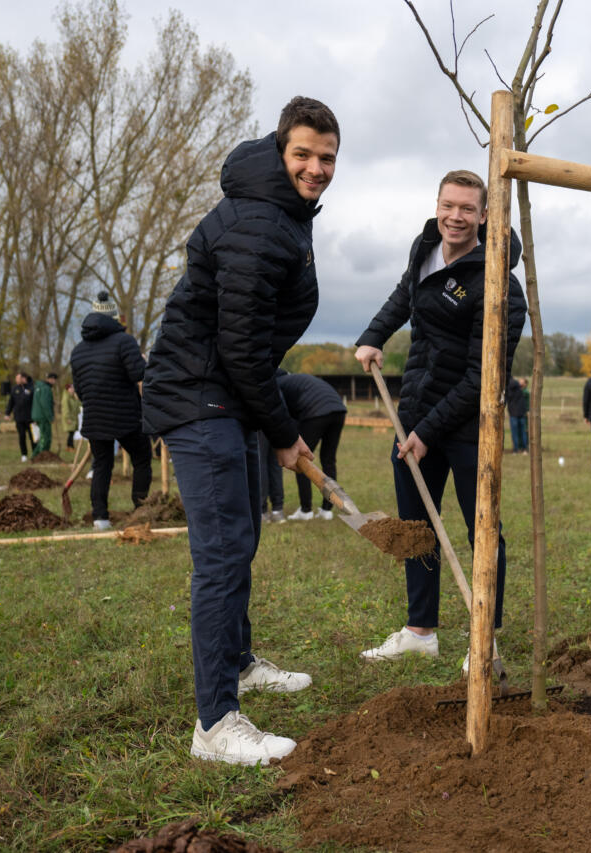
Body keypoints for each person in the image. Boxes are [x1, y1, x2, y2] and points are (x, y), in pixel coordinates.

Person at [141, 96, 339, 765]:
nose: (316, 168)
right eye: (304, 154)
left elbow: (250, 350)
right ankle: (215, 721)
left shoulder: (279, 211)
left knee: (241, 536)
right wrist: (283, 431)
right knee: (222, 555)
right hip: (202, 395)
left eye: (327, 158)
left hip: (224, 391)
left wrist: (274, 421)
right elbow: (243, 346)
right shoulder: (259, 220)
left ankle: (239, 660)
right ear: (281, 149)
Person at [354, 169, 526, 666]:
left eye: (467, 209)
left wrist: (427, 433)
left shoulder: (499, 285)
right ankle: (420, 629)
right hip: (415, 406)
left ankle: (484, 637)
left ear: (486, 215)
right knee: (416, 525)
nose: (455, 216)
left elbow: (483, 378)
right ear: (437, 204)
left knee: (482, 531)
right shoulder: (424, 249)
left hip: (470, 424)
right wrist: (373, 335)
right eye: (448, 205)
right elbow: (403, 293)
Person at [69, 292, 152, 530]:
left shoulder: (78, 351)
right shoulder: (124, 342)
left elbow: (80, 390)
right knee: (142, 458)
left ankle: (100, 518)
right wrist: (144, 361)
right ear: (114, 317)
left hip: (94, 416)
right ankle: (140, 509)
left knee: (102, 464)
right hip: (125, 414)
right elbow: (139, 374)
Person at [280, 370, 348, 519]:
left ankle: (306, 510)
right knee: (328, 460)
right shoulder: (297, 379)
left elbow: (283, 414)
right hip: (339, 410)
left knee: (301, 459)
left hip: (316, 412)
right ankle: (327, 510)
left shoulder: (278, 385)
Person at [3, 372, 35, 461]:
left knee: (32, 436)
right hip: (19, 418)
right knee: (22, 436)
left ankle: (35, 453)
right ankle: (24, 454)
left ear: (24, 378)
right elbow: (11, 402)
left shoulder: (31, 388)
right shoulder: (15, 389)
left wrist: (36, 416)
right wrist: (7, 413)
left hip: (30, 418)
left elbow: (35, 403)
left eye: (18, 378)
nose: (16, 380)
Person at [30, 372, 57, 457]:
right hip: (43, 416)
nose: (55, 381)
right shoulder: (46, 388)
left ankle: (36, 455)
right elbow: (45, 404)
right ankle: (41, 456)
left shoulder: (39, 387)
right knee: (45, 437)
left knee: (42, 436)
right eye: (54, 379)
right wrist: (50, 417)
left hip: (37, 415)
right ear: (51, 379)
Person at [506, 376, 529, 453]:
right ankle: (525, 449)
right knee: (523, 432)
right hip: (522, 413)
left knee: (514, 433)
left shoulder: (508, 389)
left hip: (513, 414)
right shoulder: (520, 389)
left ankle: (515, 450)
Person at [59, 382, 82, 452]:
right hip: (69, 418)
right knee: (71, 433)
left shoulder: (73, 397)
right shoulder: (66, 397)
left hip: (74, 418)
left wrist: (77, 399)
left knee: (72, 433)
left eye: (73, 388)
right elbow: (65, 409)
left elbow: (78, 407)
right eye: (71, 388)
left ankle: (70, 446)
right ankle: (69, 446)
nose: (72, 390)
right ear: (68, 389)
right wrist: (67, 418)